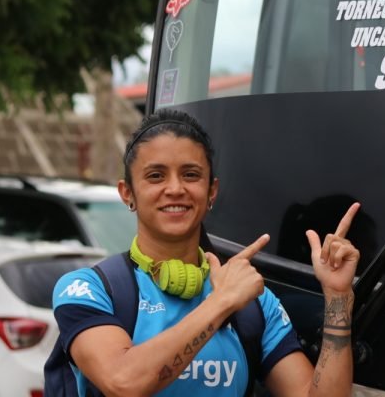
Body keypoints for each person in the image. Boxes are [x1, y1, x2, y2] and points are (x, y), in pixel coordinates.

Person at [51, 109, 360, 396]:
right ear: (127, 193)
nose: (175, 189)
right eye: (156, 175)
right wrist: (220, 302)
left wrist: (338, 299)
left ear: (211, 191)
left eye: (190, 174)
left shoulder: (255, 303)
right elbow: (123, 382)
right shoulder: (87, 289)